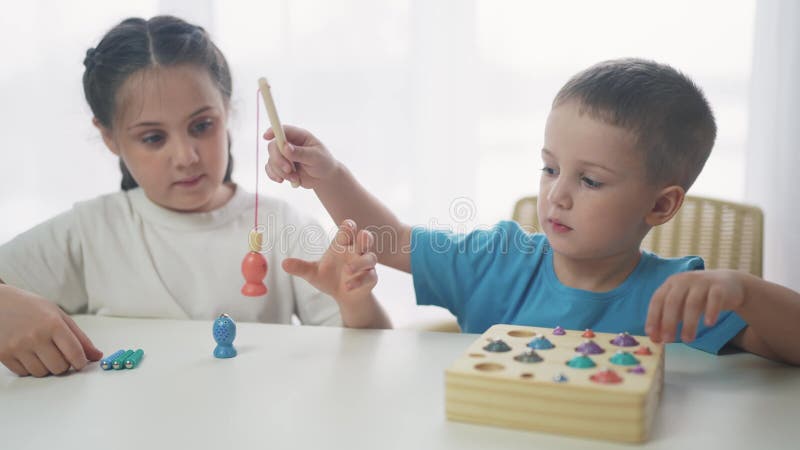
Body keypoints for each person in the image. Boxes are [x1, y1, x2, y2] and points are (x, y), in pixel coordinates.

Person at [264, 58, 800, 365]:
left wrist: (747, 293)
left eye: (589, 180)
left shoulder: (678, 297)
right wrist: (328, 176)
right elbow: (389, 240)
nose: (557, 195)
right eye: (549, 168)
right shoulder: (495, 260)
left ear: (660, 205)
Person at [0, 15, 390, 378]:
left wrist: (353, 299)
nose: (186, 157)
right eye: (153, 138)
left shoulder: (281, 225)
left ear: (227, 112)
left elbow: (371, 355)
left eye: (202, 126)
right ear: (109, 137)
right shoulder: (90, 231)